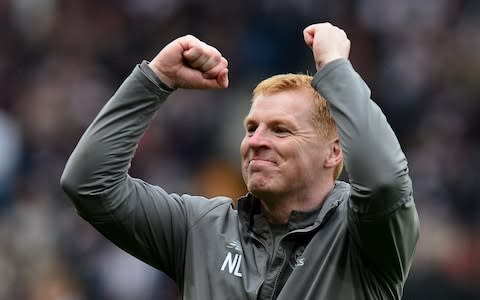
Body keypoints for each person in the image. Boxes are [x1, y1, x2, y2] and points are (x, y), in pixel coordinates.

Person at [61, 22, 419, 299]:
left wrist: (336, 68)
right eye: (251, 129)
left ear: (334, 151)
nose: (256, 142)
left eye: (280, 130)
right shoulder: (200, 229)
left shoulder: (365, 234)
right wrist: (155, 79)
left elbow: (385, 180)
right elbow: (90, 184)